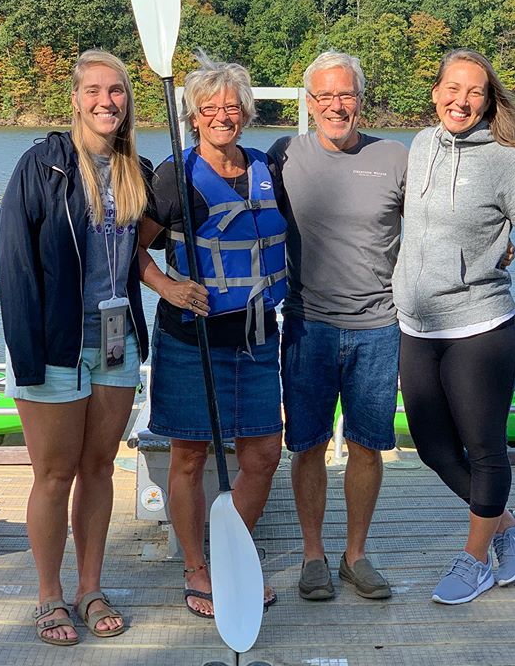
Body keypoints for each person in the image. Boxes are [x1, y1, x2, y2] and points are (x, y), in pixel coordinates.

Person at [392, 47, 515, 605]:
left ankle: (475, 557)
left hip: (481, 326)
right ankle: (509, 525)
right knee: (433, 448)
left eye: (474, 92)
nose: (461, 101)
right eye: (452, 89)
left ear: (487, 101)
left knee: (484, 450)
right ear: (435, 93)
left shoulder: (507, 162)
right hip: (417, 324)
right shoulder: (421, 145)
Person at [0, 49, 152, 644]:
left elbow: (146, 248)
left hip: (114, 343)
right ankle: (49, 595)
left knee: (99, 467)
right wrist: (28, 353)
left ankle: (90, 586)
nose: (106, 101)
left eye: (116, 91)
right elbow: (15, 264)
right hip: (54, 345)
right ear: (75, 98)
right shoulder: (43, 166)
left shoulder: (133, 169)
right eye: (94, 90)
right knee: (54, 473)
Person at [138, 55, 286, 619]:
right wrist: (168, 288)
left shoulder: (266, 168)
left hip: (254, 334)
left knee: (264, 453)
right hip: (190, 335)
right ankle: (196, 567)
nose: (223, 115)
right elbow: (135, 248)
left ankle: (233, 557)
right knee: (189, 457)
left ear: (245, 112)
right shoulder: (175, 175)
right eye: (210, 108)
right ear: (194, 117)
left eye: (232, 105)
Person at [268, 51, 407, 601]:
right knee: (306, 444)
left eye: (345, 95)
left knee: (368, 445)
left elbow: (436, 226)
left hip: (379, 326)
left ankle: (355, 554)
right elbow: (229, 198)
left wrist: (496, 248)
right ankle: (313, 555)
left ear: (361, 99)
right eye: (324, 96)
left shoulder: (395, 156)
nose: (335, 106)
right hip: (307, 325)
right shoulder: (284, 155)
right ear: (308, 103)